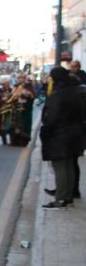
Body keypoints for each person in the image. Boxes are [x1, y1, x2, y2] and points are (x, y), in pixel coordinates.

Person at [40, 67, 86, 208]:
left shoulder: (58, 95)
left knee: (60, 166)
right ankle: (69, 195)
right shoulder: (78, 91)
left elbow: (51, 119)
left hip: (59, 135)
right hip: (76, 133)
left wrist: (45, 132)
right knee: (69, 165)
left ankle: (61, 198)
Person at [8, 72, 35, 146]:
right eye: (19, 77)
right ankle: (14, 141)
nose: (20, 79)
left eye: (22, 77)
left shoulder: (28, 86)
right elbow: (11, 96)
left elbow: (32, 96)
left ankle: (23, 141)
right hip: (15, 109)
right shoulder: (15, 86)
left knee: (24, 125)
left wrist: (24, 95)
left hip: (25, 109)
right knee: (14, 125)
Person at [0, 78, 14, 145]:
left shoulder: (12, 90)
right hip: (2, 109)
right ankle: (4, 140)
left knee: (11, 124)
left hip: (10, 109)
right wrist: (3, 99)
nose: (6, 85)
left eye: (7, 84)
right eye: (4, 84)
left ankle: (11, 140)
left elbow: (13, 97)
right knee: (2, 125)